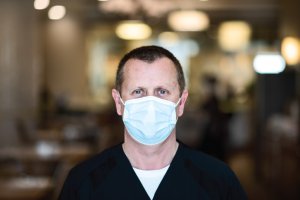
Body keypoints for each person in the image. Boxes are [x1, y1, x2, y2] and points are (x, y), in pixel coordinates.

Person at [58, 45, 247, 200]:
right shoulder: (83, 182)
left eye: (162, 92)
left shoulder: (218, 180)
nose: (150, 103)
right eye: (138, 92)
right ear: (118, 103)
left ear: (181, 103)